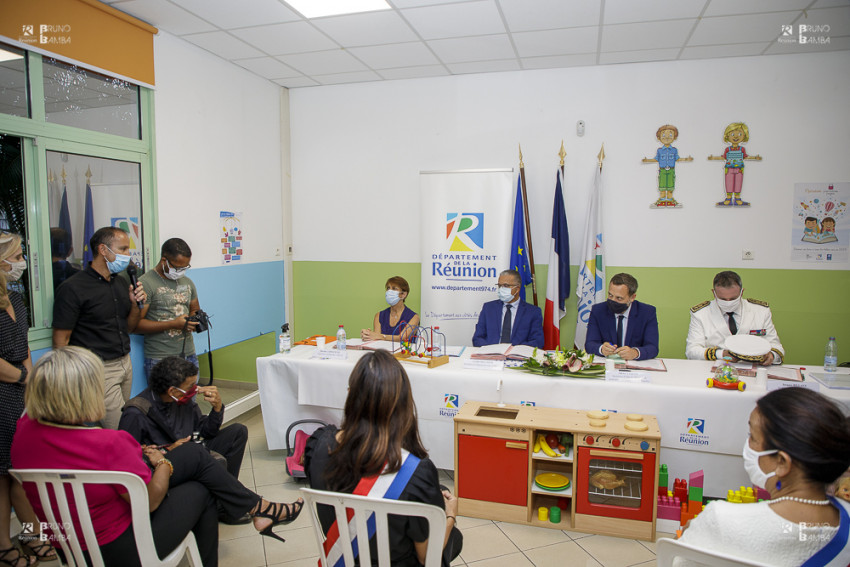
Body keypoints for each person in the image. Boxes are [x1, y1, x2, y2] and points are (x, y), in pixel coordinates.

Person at [12, 347, 305, 567]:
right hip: (121, 547)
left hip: (67, 543)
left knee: (193, 454)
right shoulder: (110, 441)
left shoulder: (22, 434)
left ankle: (257, 508)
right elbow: (150, 500)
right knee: (201, 487)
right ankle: (258, 511)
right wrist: (163, 462)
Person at [305, 350, 462, 567]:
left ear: (350, 395)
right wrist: (450, 515)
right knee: (455, 538)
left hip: (344, 561)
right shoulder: (416, 472)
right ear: (403, 405)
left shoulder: (319, 445)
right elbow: (427, 557)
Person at [676, 388, 850, 566]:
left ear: (782, 462)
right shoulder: (846, 519)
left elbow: (676, 561)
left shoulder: (722, 520)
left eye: (752, 437)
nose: (747, 445)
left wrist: (689, 535)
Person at [119, 356, 250, 524]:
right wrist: (167, 451)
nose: (195, 389)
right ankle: (226, 503)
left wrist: (217, 408)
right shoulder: (136, 413)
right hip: (165, 467)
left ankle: (224, 503)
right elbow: (126, 463)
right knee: (204, 457)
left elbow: (206, 431)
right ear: (173, 391)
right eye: (190, 386)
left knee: (238, 431)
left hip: (194, 453)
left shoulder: (182, 401)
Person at [52, 226, 147, 429]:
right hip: (97, 369)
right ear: (103, 250)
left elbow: (129, 327)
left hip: (124, 363)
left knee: (115, 424)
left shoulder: (121, 283)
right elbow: (61, 342)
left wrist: (134, 304)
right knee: (121, 427)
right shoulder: (73, 288)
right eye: (122, 249)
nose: (127, 256)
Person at [0, 233, 56, 567]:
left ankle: (32, 536)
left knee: (21, 470)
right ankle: (5, 546)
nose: (22, 262)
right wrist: (23, 378)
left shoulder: (17, 298)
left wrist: (32, 383)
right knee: (3, 474)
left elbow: (24, 347)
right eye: (17, 255)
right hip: (2, 395)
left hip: (21, 393)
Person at [686, 270, 784, 365]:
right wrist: (721, 354)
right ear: (714, 293)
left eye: (733, 298)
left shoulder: (760, 311)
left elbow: (777, 347)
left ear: (741, 292)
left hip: (754, 368)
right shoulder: (700, 314)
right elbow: (691, 350)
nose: (728, 302)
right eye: (723, 299)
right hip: (716, 369)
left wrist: (771, 356)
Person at [135, 238, 202, 377]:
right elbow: (136, 325)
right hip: (160, 357)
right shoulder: (145, 283)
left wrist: (193, 321)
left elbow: (195, 308)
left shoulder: (188, 282)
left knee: (190, 398)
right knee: (165, 399)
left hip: (188, 353)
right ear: (164, 260)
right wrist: (173, 324)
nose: (180, 271)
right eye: (177, 267)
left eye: (185, 268)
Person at [585, 273, 659, 361]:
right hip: (607, 365)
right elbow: (590, 344)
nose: (613, 301)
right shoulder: (598, 310)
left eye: (619, 298)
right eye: (610, 295)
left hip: (634, 367)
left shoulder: (647, 313)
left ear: (632, 297)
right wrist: (601, 349)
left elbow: (653, 348)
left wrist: (635, 352)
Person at [472, 269, 544, 348]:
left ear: (517, 289)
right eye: (499, 286)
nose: (501, 289)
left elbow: (537, 341)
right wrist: (492, 350)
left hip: (517, 357)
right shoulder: (488, 308)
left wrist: (514, 351)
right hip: (491, 356)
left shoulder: (533, 312)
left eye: (505, 286)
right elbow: (477, 338)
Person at [641, 124, 693, 207]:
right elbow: (656, 159)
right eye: (664, 135)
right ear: (659, 138)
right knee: (662, 186)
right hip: (662, 170)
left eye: (670, 134)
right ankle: (661, 200)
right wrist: (647, 160)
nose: (667, 137)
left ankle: (670, 200)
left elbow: (677, 159)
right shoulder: (660, 150)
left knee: (670, 186)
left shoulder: (674, 150)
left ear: (675, 137)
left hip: (671, 170)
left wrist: (686, 159)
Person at [361, 276, 420, 342]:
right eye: (388, 288)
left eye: (394, 289)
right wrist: (368, 335)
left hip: (404, 352)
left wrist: (381, 336)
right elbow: (377, 339)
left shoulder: (414, 317)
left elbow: (402, 338)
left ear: (403, 294)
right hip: (384, 351)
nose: (389, 291)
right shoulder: (379, 315)